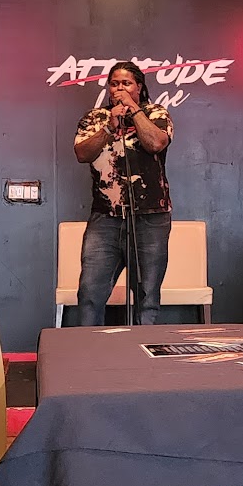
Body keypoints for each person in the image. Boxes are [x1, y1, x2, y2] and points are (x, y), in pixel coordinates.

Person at [71, 61, 174, 326]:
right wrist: (109, 127)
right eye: (114, 84)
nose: (119, 89)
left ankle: (141, 351)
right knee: (90, 292)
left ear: (139, 87)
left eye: (126, 84)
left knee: (147, 296)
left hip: (150, 217)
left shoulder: (156, 113)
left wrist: (134, 110)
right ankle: (90, 349)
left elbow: (155, 143)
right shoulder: (95, 118)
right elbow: (82, 153)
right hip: (106, 217)